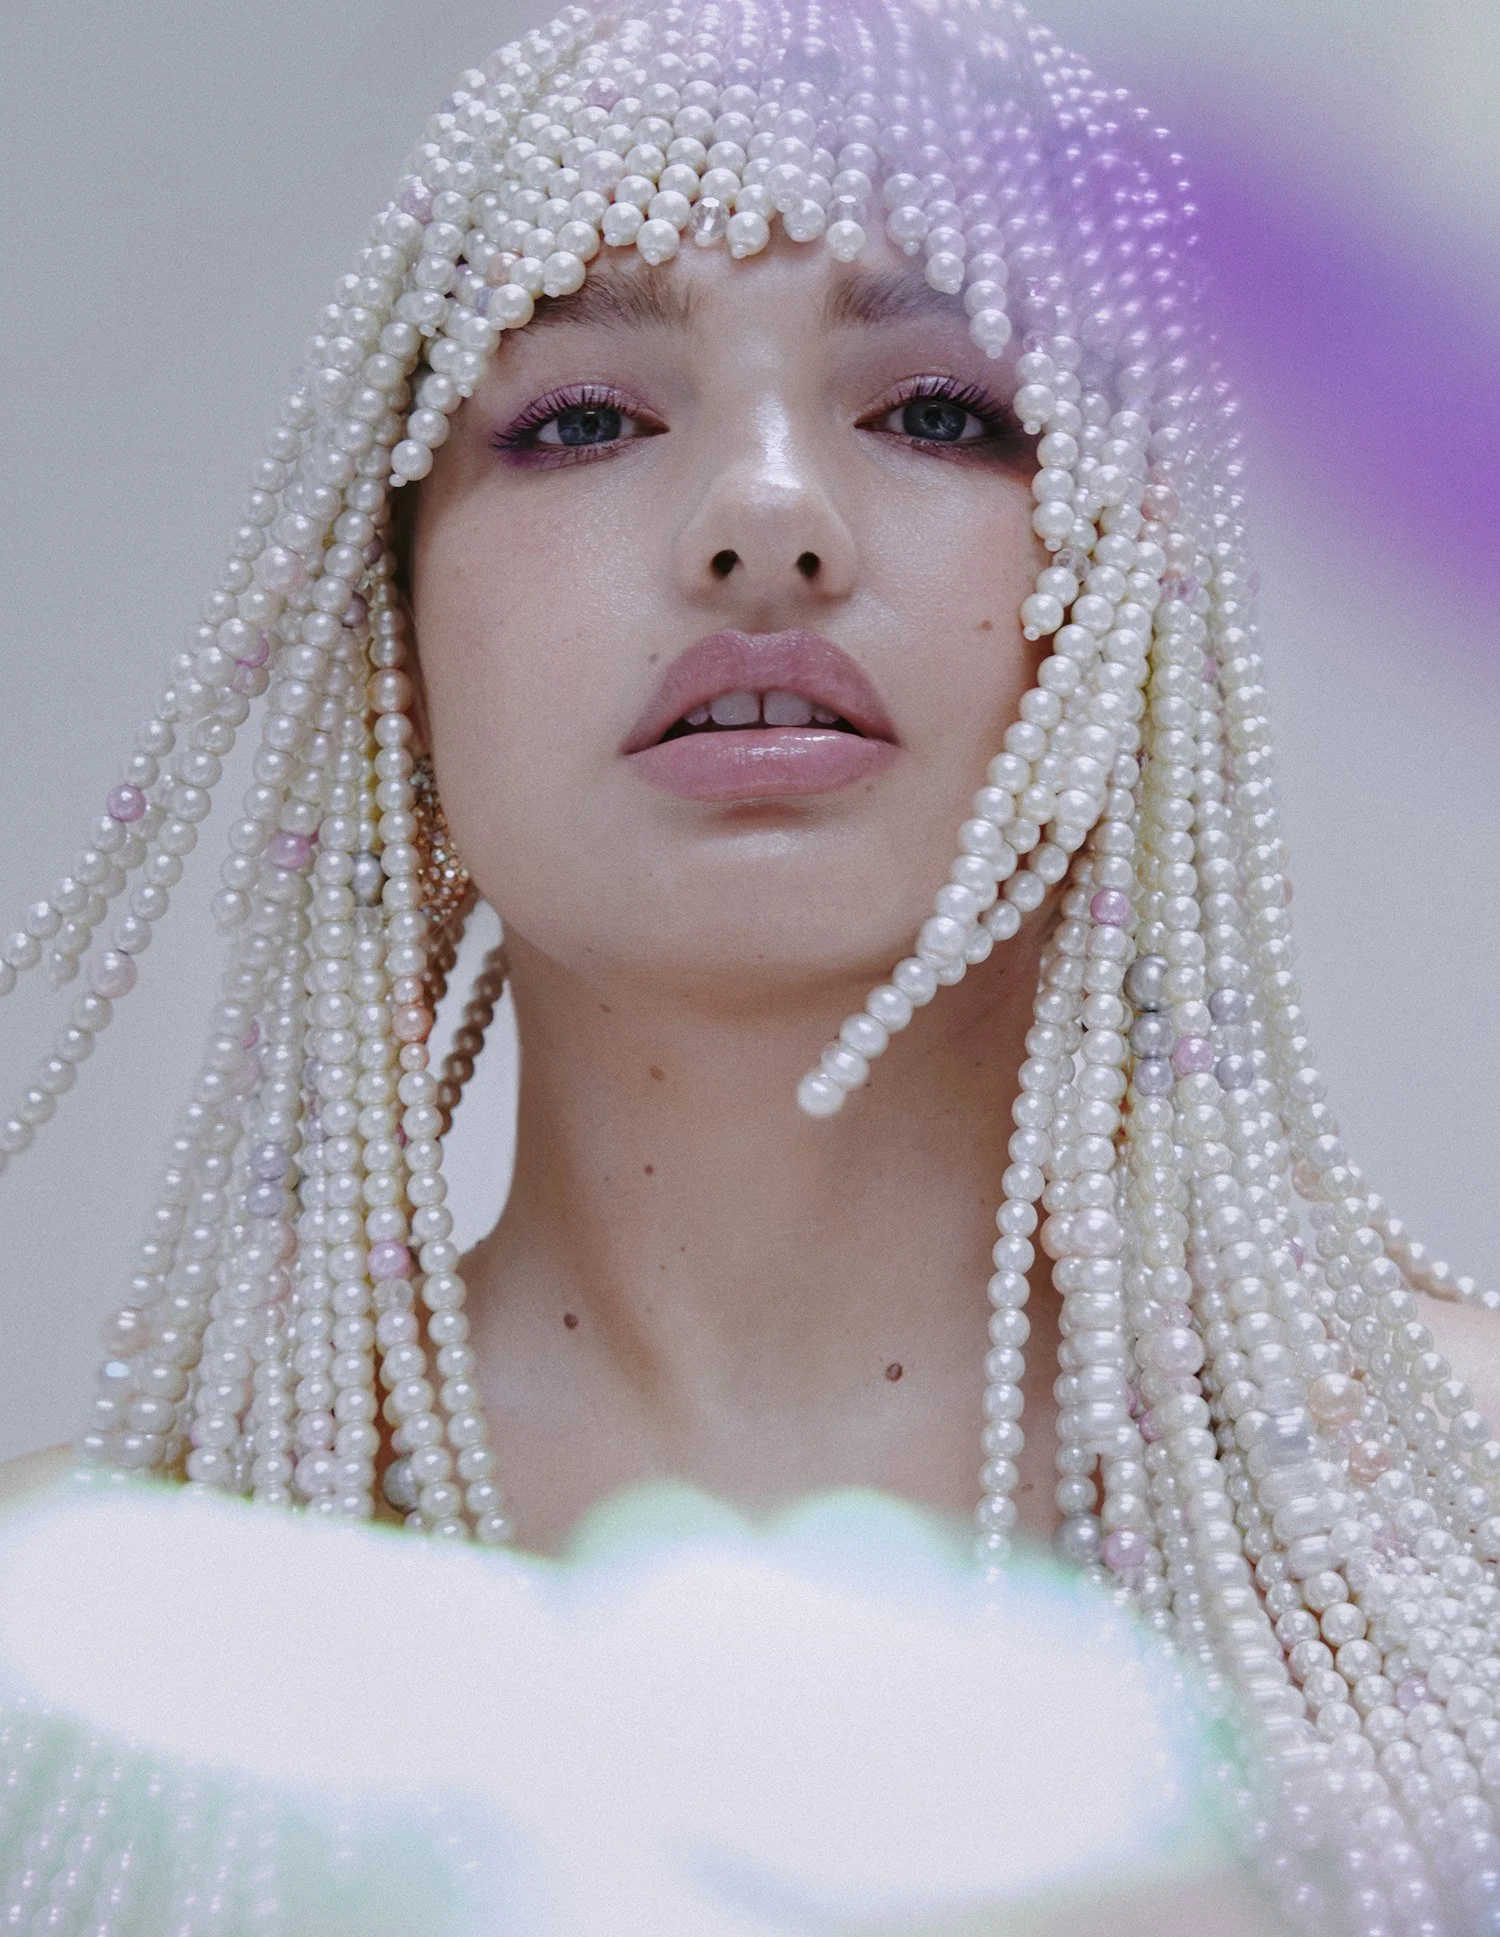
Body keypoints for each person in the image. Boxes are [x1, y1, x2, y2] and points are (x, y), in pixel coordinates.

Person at [1, 0, 1498, 1930]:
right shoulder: (77, 1678)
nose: (767, 521)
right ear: (401, 651)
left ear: (1136, 600)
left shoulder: (1462, 1561)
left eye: (946, 409)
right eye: (581, 418)